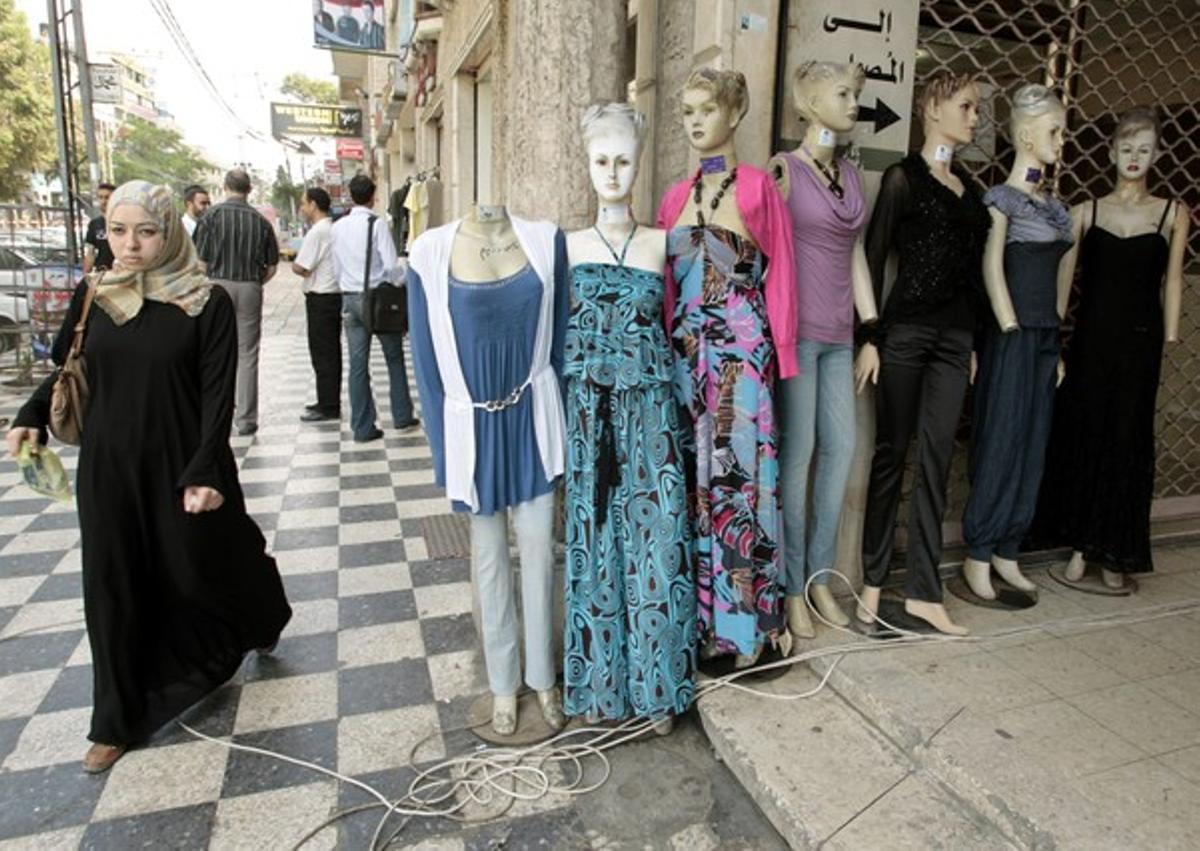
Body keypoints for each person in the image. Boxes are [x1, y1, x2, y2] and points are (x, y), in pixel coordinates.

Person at [6, 180, 291, 775]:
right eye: (118, 231)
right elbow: (70, 366)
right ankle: (114, 720)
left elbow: (217, 394)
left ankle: (262, 613)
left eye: (146, 232)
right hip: (108, 466)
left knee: (203, 566)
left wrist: (206, 468)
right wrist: (31, 414)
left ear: (170, 233)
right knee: (110, 583)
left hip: (183, 462)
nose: (130, 245)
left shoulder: (204, 301)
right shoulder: (95, 293)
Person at [331, 174, 416, 442]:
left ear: (351, 195)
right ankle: (401, 415)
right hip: (378, 300)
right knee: (394, 358)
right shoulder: (376, 224)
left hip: (350, 298)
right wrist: (403, 279)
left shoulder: (338, 227)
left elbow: (336, 267)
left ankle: (363, 427)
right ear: (373, 196)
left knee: (357, 365)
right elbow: (390, 266)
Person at [194, 169, 279, 436]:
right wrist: (254, 282)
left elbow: (200, 262)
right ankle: (246, 419)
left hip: (216, 285)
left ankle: (216, 413)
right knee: (248, 353)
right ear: (249, 190)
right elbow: (272, 266)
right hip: (250, 286)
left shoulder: (211, 217)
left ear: (225, 186)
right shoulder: (260, 221)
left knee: (213, 351)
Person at [293, 187, 341, 422]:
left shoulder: (318, 232)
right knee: (329, 351)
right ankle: (327, 400)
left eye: (304, 203)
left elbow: (301, 266)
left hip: (321, 297)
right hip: (331, 296)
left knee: (323, 352)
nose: (302, 208)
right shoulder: (332, 229)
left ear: (313, 204)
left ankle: (328, 405)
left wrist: (298, 267)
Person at [83, 182, 116, 274]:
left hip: (121, 274)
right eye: (100, 197)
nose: (103, 201)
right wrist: (86, 276)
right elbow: (90, 253)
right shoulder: (94, 224)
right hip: (101, 274)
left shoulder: (125, 222)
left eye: (107, 197)